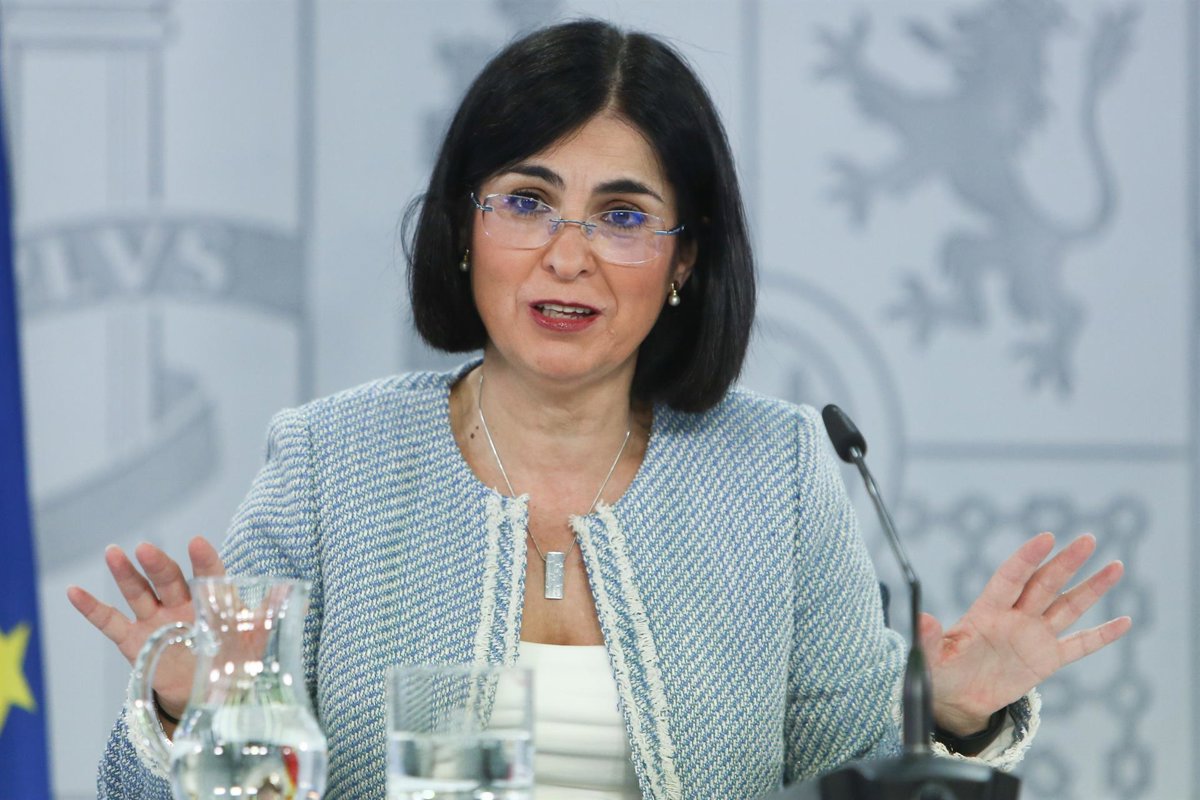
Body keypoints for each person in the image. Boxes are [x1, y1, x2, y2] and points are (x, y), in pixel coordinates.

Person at [68, 19, 1130, 800]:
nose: (567, 255)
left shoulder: (775, 471)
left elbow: (848, 780)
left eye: (622, 215)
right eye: (527, 202)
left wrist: (950, 717)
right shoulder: (328, 460)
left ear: (685, 261)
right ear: (464, 231)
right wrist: (184, 713)